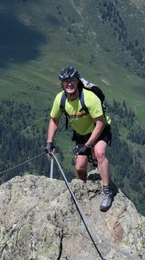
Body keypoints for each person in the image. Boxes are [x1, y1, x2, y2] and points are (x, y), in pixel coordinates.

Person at [45, 66, 113, 212]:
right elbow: (54, 120)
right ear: (62, 84)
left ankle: (107, 192)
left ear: (77, 82)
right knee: (79, 167)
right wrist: (49, 142)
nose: (69, 84)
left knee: (99, 153)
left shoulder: (89, 98)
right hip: (81, 133)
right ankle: (82, 191)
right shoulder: (60, 99)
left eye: (72, 81)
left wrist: (88, 145)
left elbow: (100, 123)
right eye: (65, 81)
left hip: (99, 129)